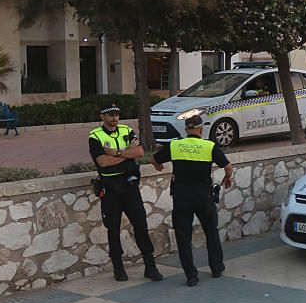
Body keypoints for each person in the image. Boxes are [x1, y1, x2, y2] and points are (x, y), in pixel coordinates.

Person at [152, 114, 233, 287]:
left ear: (186, 129)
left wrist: (158, 166)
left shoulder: (175, 145)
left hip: (182, 197)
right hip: (203, 196)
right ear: (201, 129)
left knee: (183, 237)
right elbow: (228, 166)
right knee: (211, 231)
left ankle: (191, 276)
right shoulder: (209, 146)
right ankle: (217, 268)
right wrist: (227, 178)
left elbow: (154, 158)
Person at [88, 104, 163, 282]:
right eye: (110, 115)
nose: (115, 118)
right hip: (110, 187)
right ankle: (118, 269)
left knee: (140, 225)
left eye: (117, 114)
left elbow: (139, 151)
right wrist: (127, 155)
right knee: (113, 229)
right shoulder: (95, 136)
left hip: (130, 186)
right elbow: (103, 162)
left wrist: (116, 153)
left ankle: (150, 267)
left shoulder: (126, 130)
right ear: (102, 116)